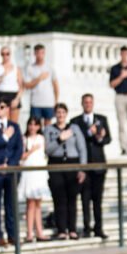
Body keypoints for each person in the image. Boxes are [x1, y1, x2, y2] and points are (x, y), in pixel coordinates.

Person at [70, 94, 110, 239]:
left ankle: (98, 228)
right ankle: (87, 228)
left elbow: (107, 139)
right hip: (85, 166)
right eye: (85, 102)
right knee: (85, 198)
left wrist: (99, 137)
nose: (88, 104)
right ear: (82, 104)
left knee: (97, 199)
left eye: (90, 102)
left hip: (99, 164)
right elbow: (77, 141)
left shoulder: (102, 119)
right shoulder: (75, 121)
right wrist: (89, 133)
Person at [0, 101, 24, 247]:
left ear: (7, 109)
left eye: (2, 107)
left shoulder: (15, 126)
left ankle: (12, 235)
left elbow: (19, 149)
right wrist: (5, 138)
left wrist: (9, 165)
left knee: (10, 204)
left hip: (10, 170)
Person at [45, 103, 87, 240]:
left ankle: (72, 229)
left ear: (66, 114)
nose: (60, 115)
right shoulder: (49, 129)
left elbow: (82, 149)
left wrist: (82, 168)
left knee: (72, 198)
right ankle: (62, 229)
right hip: (56, 165)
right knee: (59, 199)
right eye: (58, 112)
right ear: (55, 114)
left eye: (63, 112)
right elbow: (47, 150)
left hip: (72, 164)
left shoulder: (74, 128)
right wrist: (59, 139)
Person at [18, 117, 51, 243]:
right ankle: (29, 233)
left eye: (35, 125)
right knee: (30, 204)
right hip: (29, 173)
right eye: (30, 124)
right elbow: (22, 157)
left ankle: (39, 232)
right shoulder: (24, 139)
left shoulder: (41, 139)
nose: (32, 127)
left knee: (38, 204)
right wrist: (32, 150)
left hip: (39, 173)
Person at [24, 44, 59, 126]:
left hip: (48, 102)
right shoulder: (30, 68)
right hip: (35, 102)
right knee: (36, 125)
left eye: (42, 53)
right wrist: (39, 78)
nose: (40, 55)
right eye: (38, 53)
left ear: (44, 53)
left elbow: (55, 85)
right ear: (34, 54)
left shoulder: (50, 67)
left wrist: (56, 101)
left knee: (48, 125)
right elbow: (27, 85)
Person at [0, 46, 23, 123]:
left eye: (7, 54)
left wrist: (17, 99)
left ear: (10, 54)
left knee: (14, 122)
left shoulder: (16, 68)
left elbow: (21, 86)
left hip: (13, 95)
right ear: (0, 55)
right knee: (2, 120)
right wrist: (3, 75)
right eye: (3, 54)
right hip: (1, 94)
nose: (5, 56)